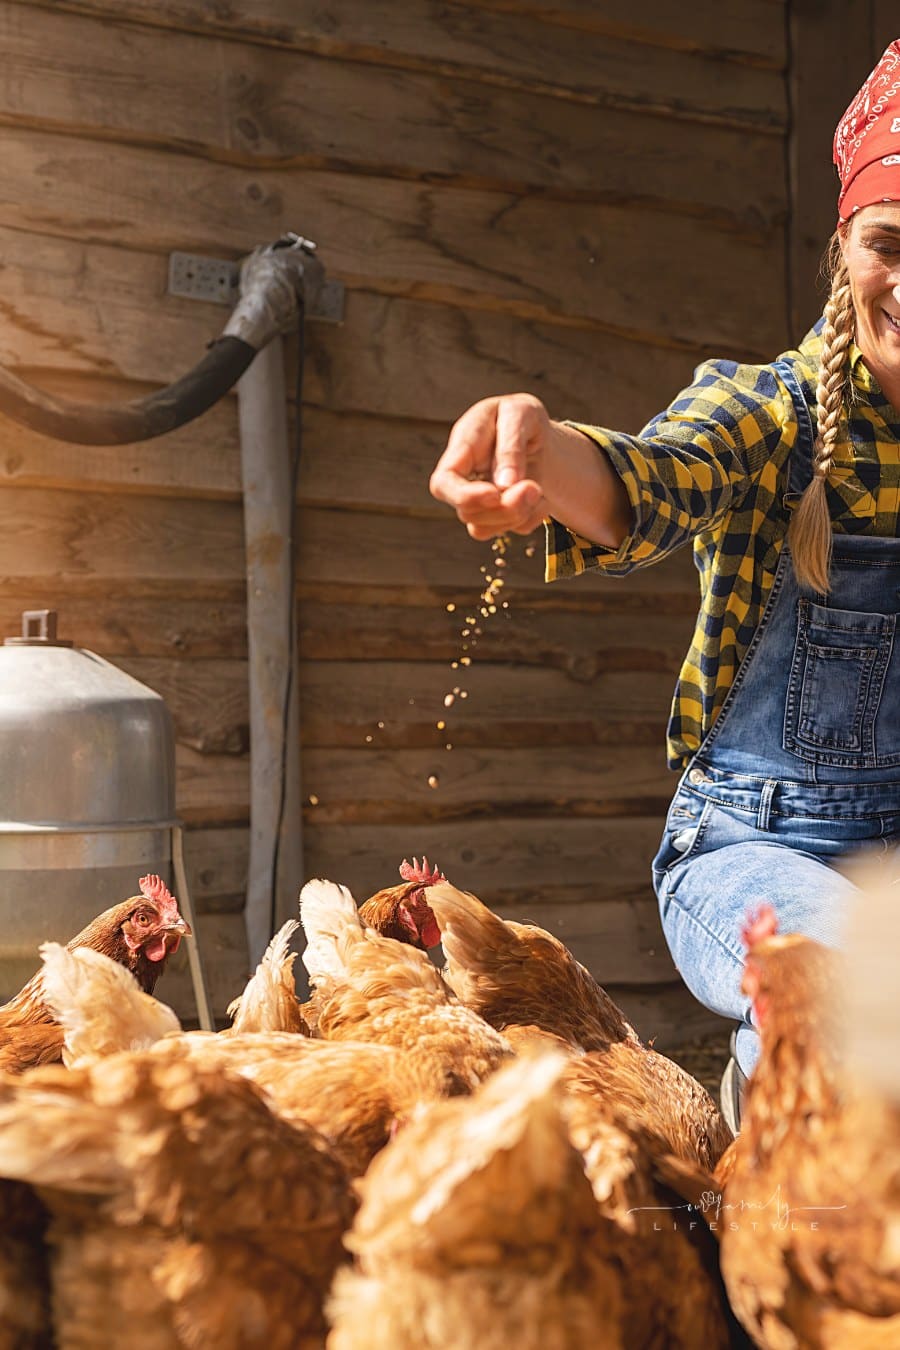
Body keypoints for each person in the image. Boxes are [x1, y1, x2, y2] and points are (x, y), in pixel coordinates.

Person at [429, 41, 900, 1126]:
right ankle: (761, 1121)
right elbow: (653, 479)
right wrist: (543, 456)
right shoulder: (770, 414)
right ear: (844, 252)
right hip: (752, 850)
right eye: (888, 243)